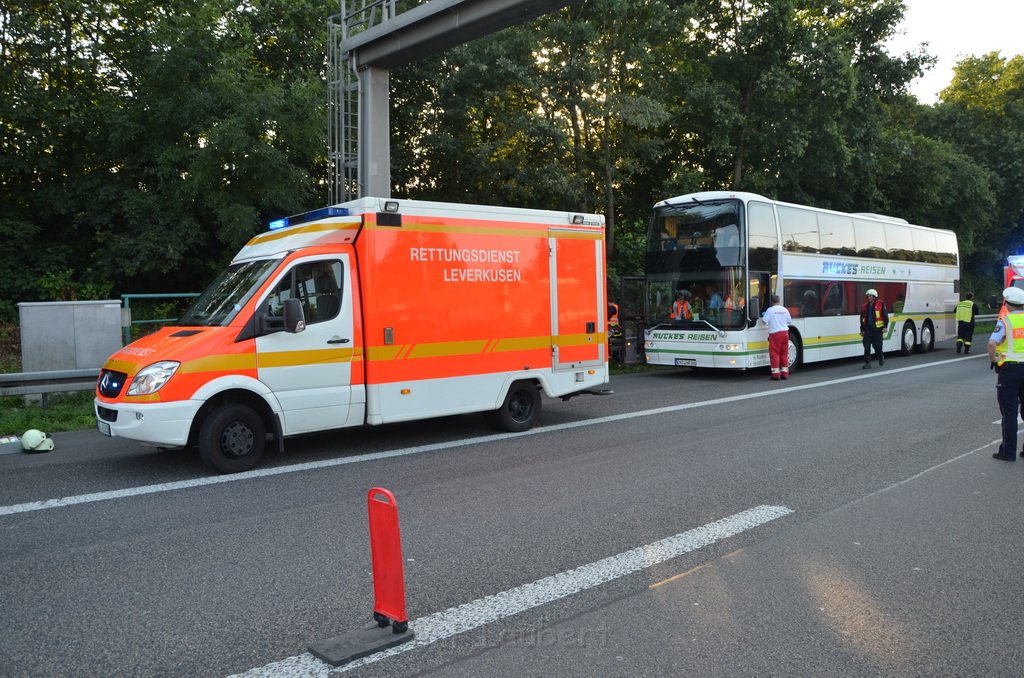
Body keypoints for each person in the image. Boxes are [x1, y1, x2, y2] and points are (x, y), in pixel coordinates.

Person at [987, 287, 1024, 461]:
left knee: (1009, 412)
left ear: (1007, 304)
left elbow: (992, 344)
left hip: (1010, 371)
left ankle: (1008, 452)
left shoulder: (1005, 321)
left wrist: (994, 359)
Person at [761, 294, 792, 380]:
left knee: (774, 354)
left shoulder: (770, 310)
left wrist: (764, 315)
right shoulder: (785, 310)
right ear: (779, 301)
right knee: (784, 353)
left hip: (775, 334)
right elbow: (789, 321)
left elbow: (764, 321)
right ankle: (785, 373)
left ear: (771, 302)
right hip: (785, 333)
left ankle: (776, 374)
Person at [859, 288, 888, 369]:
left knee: (877, 346)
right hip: (868, 329)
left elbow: (885, 316)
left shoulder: (881, 304)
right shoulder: (864, 306)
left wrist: (885, 327)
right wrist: (862, 330)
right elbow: (862, 319)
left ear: (875, 297)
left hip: (878, 330)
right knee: (866, 346)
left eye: (870, 296)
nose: (869, 297)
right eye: (868, 296)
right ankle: (867, 363)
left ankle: (880, 356)